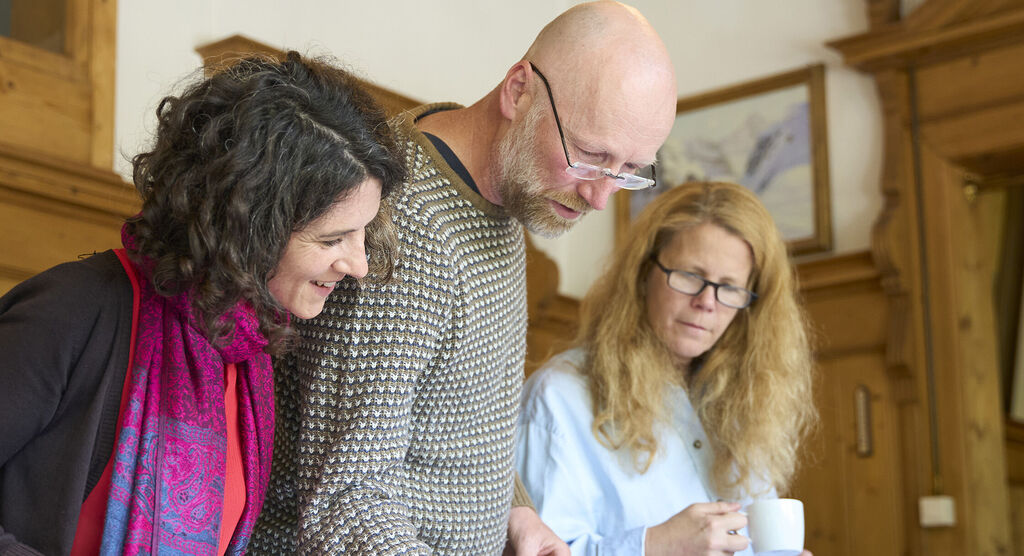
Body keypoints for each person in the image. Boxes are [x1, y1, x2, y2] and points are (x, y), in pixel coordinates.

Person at [249, 2, 678, 554]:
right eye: (590, 155)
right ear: (518, 91)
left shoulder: (513, 196)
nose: (599, 196)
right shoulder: (405, 220)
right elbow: (347, 501)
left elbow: (455, 430)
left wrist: (517, 514)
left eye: (628, 171)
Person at [0, 51, 405, 556]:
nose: (359, 264)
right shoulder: (72, 311)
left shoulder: (250, 352)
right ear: (248, 225)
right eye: (332, 239)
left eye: (363, 233)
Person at [515, 181, 817, 556]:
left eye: (730, 287)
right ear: (643, 274)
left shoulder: (745, 408)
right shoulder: (559, 397)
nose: (708, 302)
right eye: (690, 275)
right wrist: (652, 547)